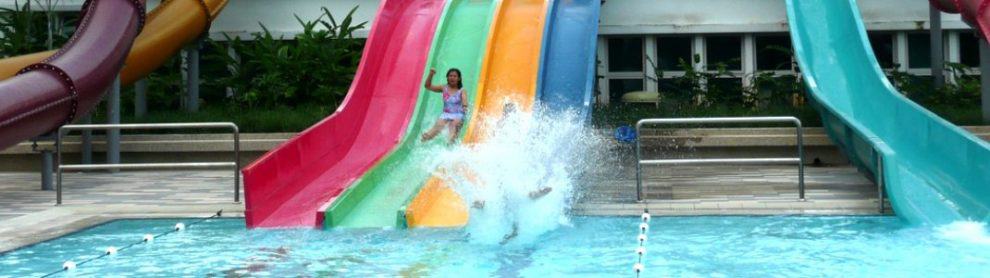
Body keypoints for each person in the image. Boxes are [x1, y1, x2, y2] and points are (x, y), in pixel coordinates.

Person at [421, 68, 468, 144]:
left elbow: (464, 98)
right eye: (450, 76)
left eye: (455, 76)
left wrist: (465, 106)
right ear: (447, 78)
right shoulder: (444, 88)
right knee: (433, 131)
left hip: (458, 114)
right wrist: (431, 74)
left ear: (459, 78)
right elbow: (427, 86)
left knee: (453, 128)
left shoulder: (462, 90)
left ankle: (450, 147)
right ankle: (420, 144)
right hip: (445, 115)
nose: (452, 77)